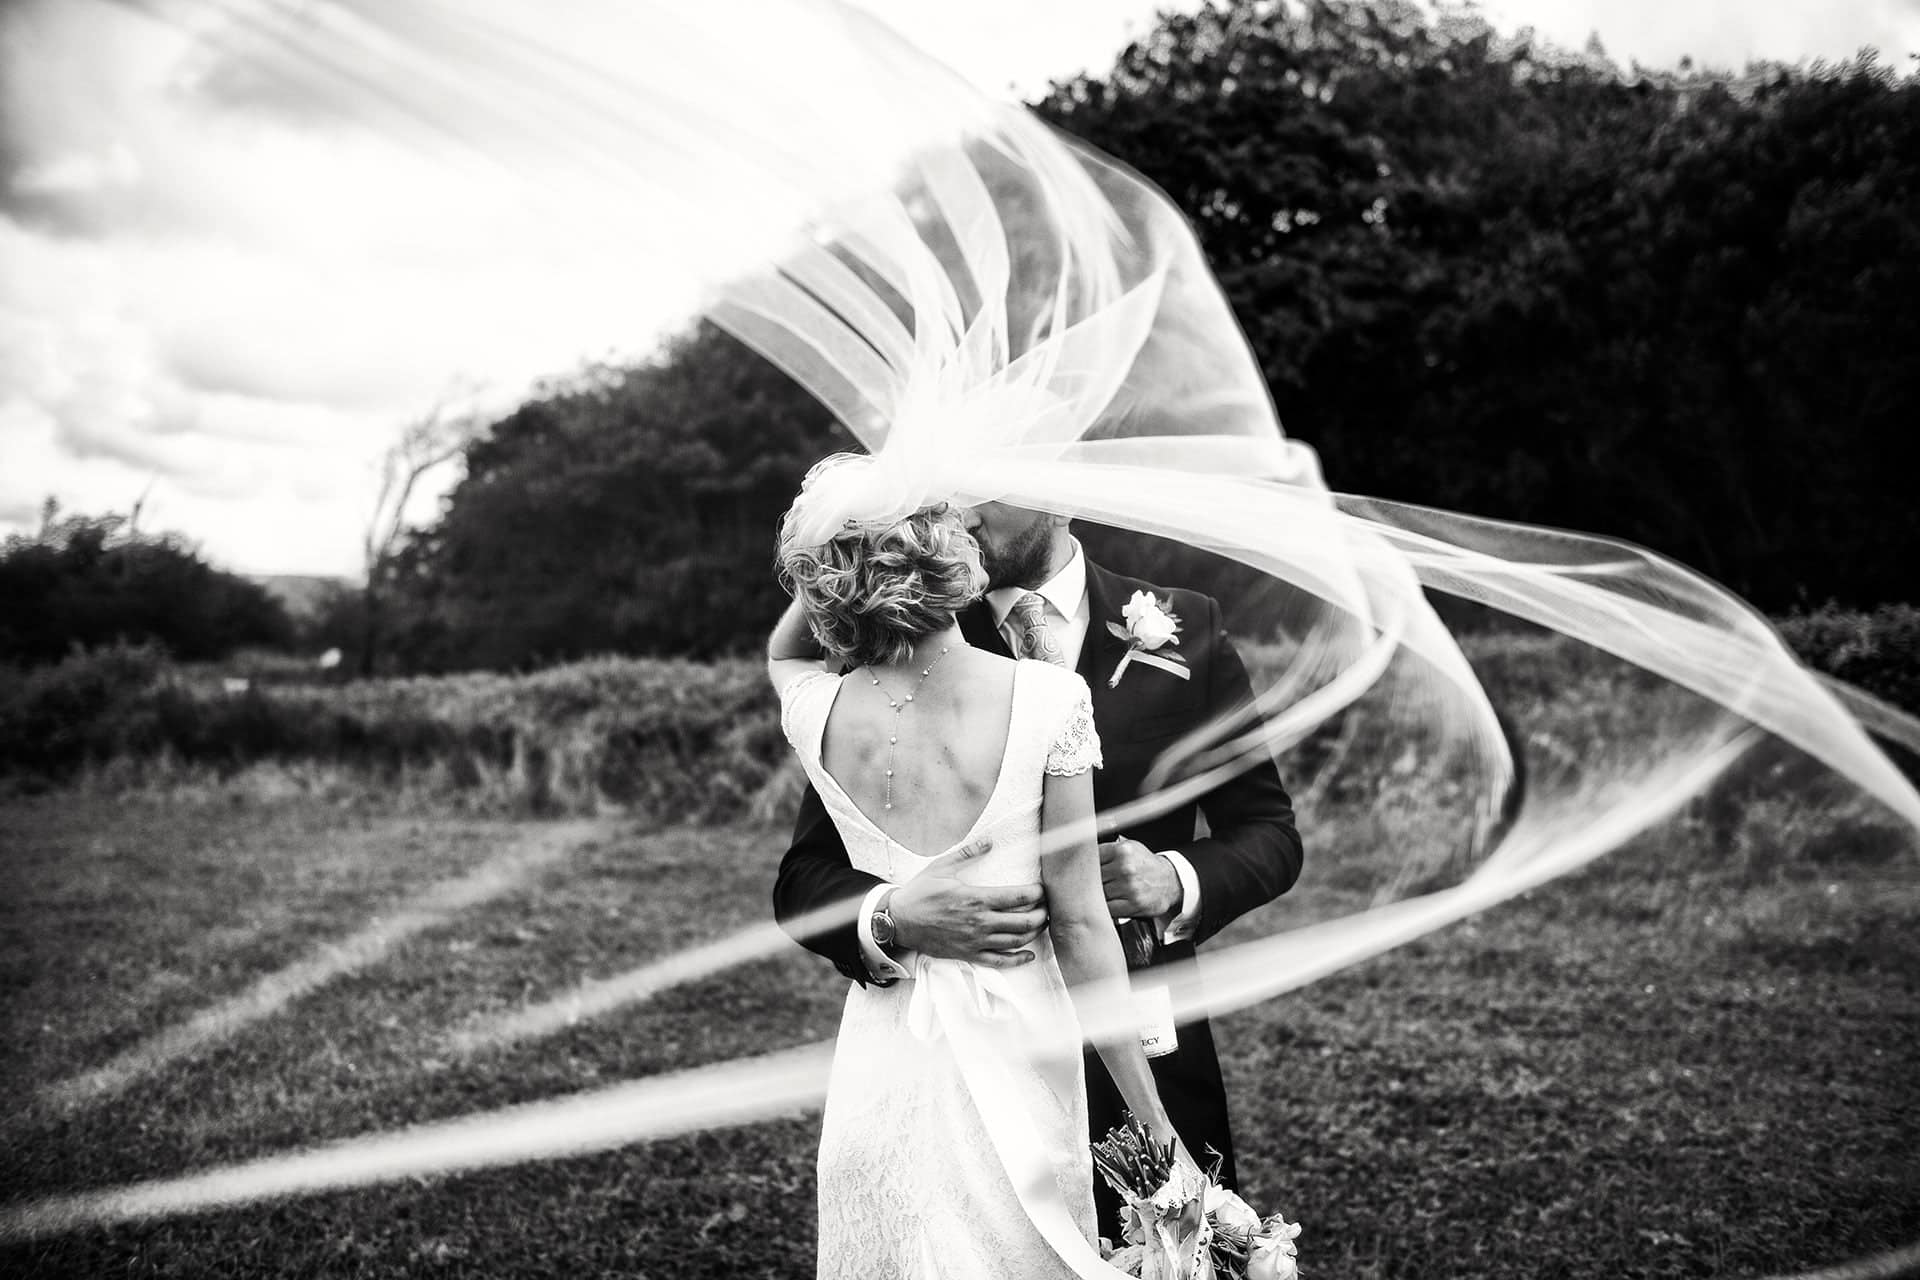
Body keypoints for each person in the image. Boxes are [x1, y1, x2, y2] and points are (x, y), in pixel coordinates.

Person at [774, 496, 1304, 1239]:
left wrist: (1176, 879)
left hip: (1144, 1037)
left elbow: (1270, 832)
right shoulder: (906, 627)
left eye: (979, 484)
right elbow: (806, 877)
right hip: (961, 1073)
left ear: (1053, 489)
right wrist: (896, 915)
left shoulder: (1190, 623)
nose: (959, 506)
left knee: (1178, 1249)